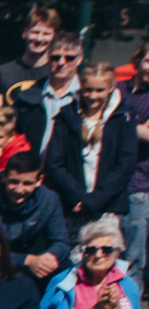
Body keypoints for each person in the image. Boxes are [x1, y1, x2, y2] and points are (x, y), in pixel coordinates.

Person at [46, 63, 140, 224]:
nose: (93, 96)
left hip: (110, 206)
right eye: (88, 90)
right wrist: (78, 197)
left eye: (99, 90)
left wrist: (94, 200)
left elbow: (125, 165)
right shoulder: (66, 115)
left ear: (111, 88)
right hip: (72, 205)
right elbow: (55, 163)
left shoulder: (124, 116)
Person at [0, 150, 75, 281]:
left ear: (39, 181)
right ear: (4, 177)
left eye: (27, 183)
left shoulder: (49, 199)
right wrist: (27, 260)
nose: (19, 190)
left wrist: (47, 258)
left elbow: (61, 241)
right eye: (14, 182)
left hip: (32, 264)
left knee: (66, 267)